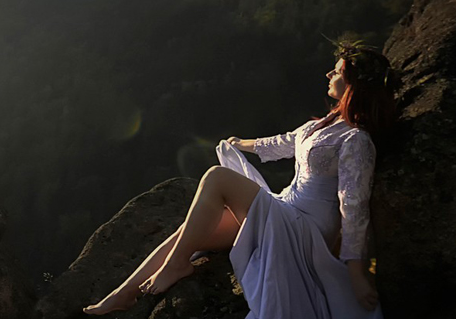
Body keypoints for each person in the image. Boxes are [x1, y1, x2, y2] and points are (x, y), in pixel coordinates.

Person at [83, 41, 395, 318]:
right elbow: (286, 141)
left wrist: (357, 271)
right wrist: (242, 144)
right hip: (286, 209)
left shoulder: (356, 140)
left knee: (218, 177)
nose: (329, 74)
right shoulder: (326, 123)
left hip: (306, 230)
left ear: (354, 85)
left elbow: (353, 205)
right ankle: (124, 292)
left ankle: (177, 265)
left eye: (337, 72)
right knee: (190, 231)